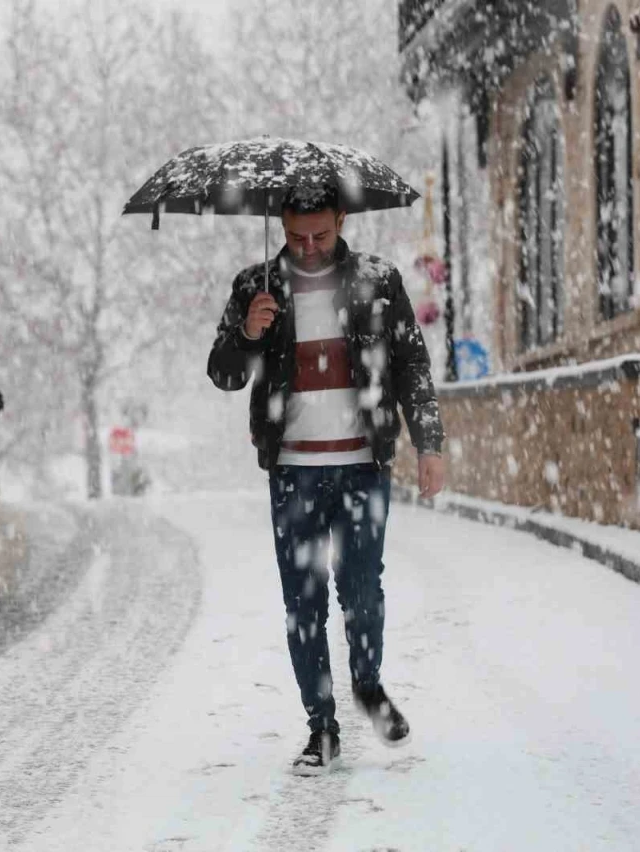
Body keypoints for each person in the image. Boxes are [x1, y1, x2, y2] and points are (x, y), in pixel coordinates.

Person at [207, 183, 446, 776]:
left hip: (364, 465)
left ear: (341, 219)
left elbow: (412, 362)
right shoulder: (254, 287)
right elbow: (223, 372)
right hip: (292, 471)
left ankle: (367, 683)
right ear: (280, 227)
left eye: (320, 234)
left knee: (362, 592)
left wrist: (429, 443)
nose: (309, 248)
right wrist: (248, 334)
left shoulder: (378, 280)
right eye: (295, 237)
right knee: (303, 602)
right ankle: (322, 727)